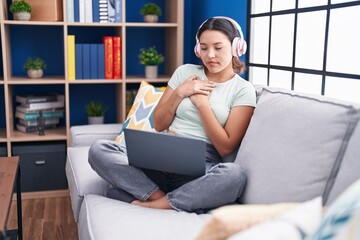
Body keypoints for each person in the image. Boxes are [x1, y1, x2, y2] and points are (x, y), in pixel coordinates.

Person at [88, 16, 256, 213]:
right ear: (197, 49)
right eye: (204, 48)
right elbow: (158, 123)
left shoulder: (243, 90)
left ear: (237, 48)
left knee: (234, 175)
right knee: (99, 149)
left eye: (218, 48)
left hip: (202, 167)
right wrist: (180, 92)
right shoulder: (185, 72)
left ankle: (151, 201)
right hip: (162, 156)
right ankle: (166, 199)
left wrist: (202, 105)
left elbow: (225, 147)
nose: (210, 55)